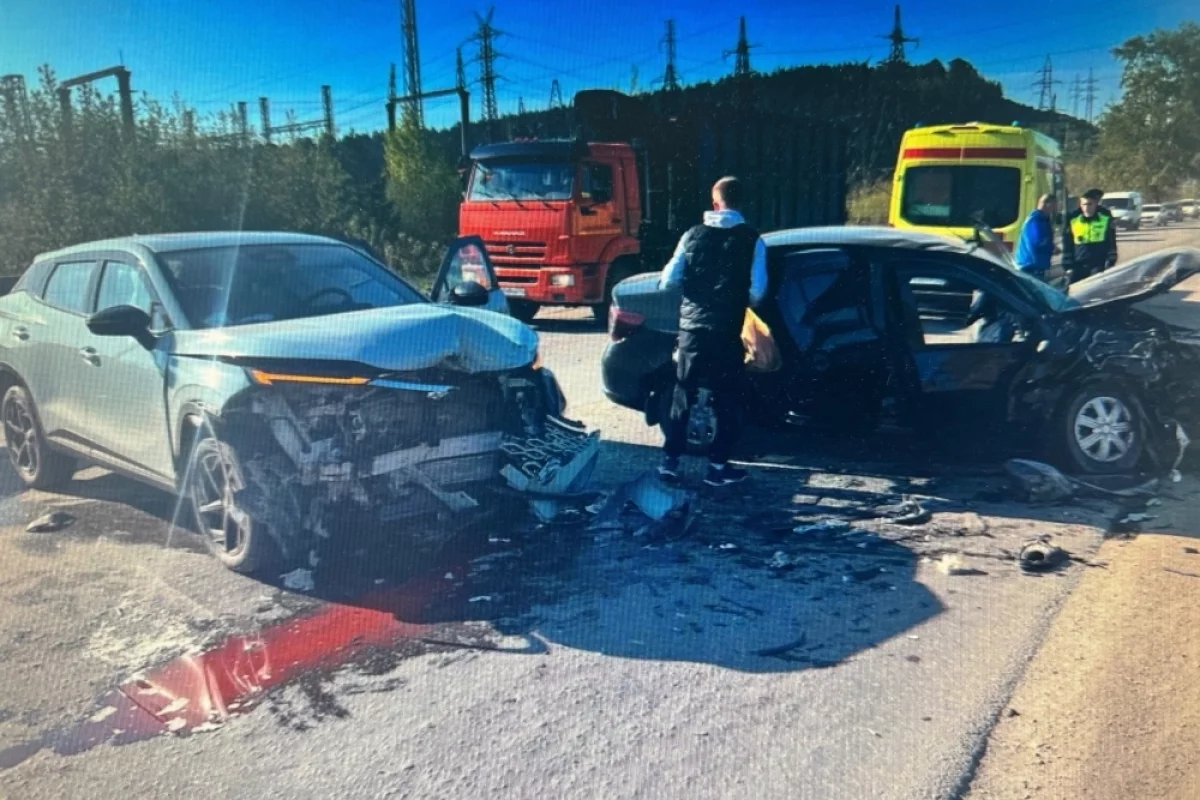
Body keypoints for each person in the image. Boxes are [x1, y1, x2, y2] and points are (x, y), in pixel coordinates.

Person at [658, 176, 768, 487]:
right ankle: (717, 468)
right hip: (726, 330)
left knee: (683, 394)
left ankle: (670, 463)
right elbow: (758, 291)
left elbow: (668, 281)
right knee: (727, 399)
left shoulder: (691, 235)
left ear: (714, 202)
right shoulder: (753, 240)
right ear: (741, 201)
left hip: (692, 330)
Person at [1063, 188, 1118, 282]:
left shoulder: (1105, 217)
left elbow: (1111, 241)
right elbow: (1068, 243)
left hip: (1097, 263)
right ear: (1080, 205)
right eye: (1084, 204)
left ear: (1095, 204)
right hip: (1078, 263)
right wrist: (1067, 265)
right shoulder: (1073, 219)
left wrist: (1111, 261)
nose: (1087, 207)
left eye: (1090, 204)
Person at [1015, 194, 1058, 282]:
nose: (1055, 209)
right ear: (1047, 204)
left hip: (1033, 264)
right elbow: (1038, 242)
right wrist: (1052, 247)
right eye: (1054, 205)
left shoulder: (1040, 219)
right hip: (1031, 265)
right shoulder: (1036, 220)